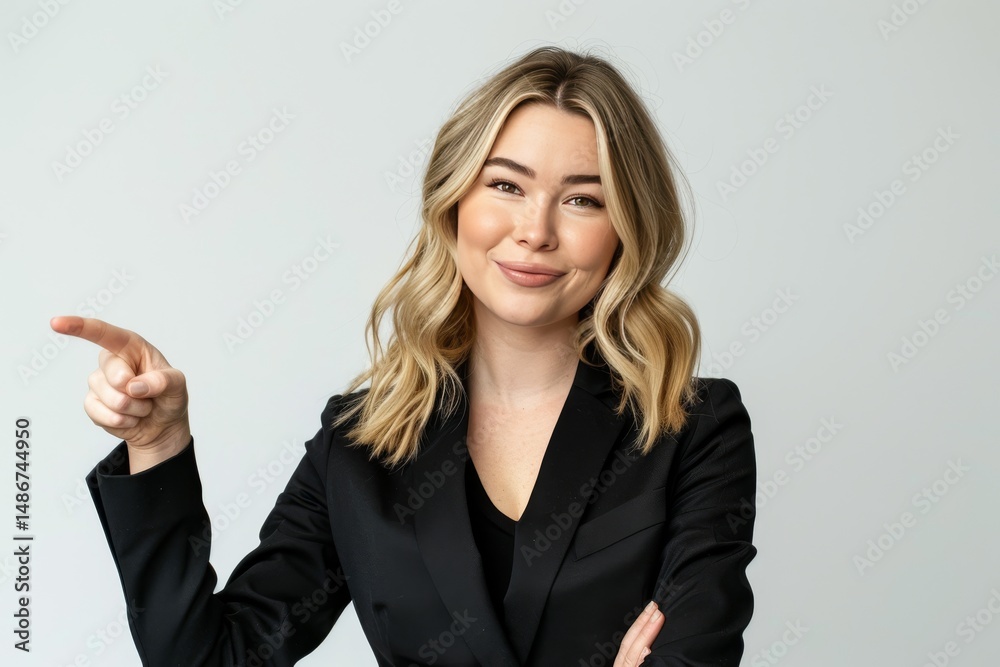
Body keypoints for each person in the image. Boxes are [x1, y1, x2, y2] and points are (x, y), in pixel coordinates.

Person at [50, 45, 757, 666]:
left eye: (582, 200)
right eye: (505, 185)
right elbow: (213, 657)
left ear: (627, 227)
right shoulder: (361, 442)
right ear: (454, 203)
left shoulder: (694, 427)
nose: (535, 230)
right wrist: (157, 445)